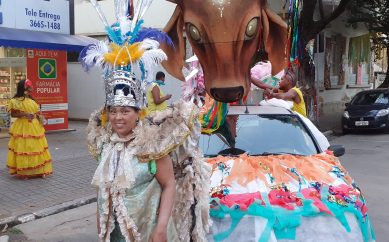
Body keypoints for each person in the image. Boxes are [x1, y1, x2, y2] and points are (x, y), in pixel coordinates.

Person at [6, 79, 52, 179]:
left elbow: (37, 113)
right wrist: (25, 114)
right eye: (30, 86)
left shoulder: (32, 100)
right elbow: (13, 114)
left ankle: (39, 171)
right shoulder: (15, 101)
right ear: (25, 88)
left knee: (37, 148)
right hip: (22, 127)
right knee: (24, 149)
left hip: (35, 127)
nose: (32, 88)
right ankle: (25, 172)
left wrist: (41, 118)